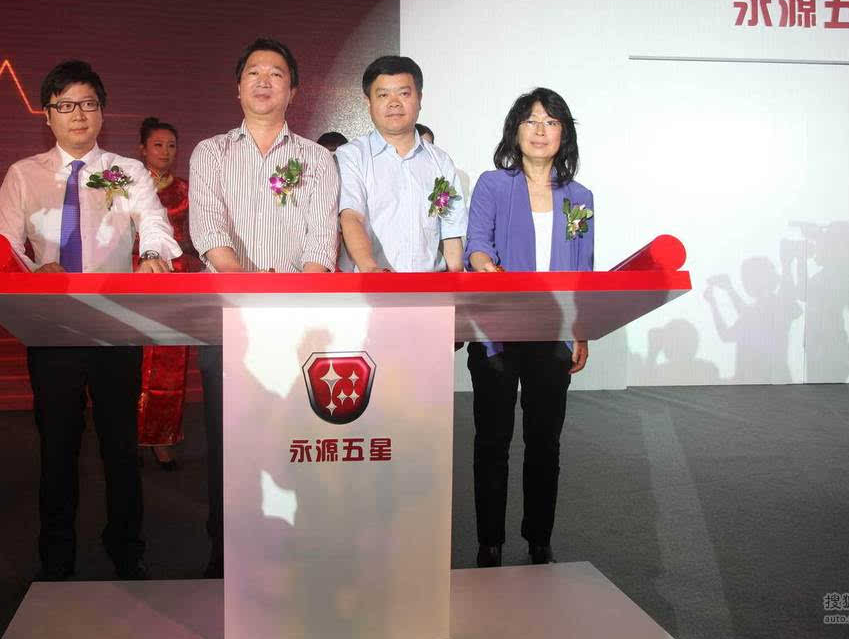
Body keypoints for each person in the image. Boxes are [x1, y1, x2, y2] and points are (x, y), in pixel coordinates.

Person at [0, 60, 180, 581]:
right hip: (52, 326)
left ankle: (127, 548)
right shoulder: (23, 174)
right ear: (47, 115)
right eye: (66, 105)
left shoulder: (127, 170)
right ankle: (56, 555)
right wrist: (36, 269)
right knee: (58, 446)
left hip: (115, 323)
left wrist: (153, 253)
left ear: (102, 113)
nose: (79, 115)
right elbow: (1, 244)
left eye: (89, 104)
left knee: (121, 446)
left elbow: (154, 221)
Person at [188, 37, 339, 577]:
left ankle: (298, 547)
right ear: (238, 86)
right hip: (230, 319)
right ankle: (226, 551)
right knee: (229, 441)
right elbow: (209, 230)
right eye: (254, 72)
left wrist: (293, 301)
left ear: (292, 90)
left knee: (298, 439)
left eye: (276, 73)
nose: (264, 81)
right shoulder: (210, 153)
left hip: (298, 325)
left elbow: (321, 241)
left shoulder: (317, 158)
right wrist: (250, 291)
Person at [464, 86, 592, 567]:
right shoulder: (494, 185)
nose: (541, 130)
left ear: (564, 133)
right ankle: (489, 541)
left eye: (551, 121)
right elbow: (478, 243)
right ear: (515, 130)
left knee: (545, 441)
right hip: (496, 331)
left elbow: (583, 268)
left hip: (551, 332)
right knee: (492, 441)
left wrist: (581, 329)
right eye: (531, 120)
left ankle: (539, 538)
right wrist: (483, 262)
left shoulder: (579, 198)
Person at [337, 55, 465, 274]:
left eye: (404, 93)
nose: (394, 103)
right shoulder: (352, 156)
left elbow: (451, 233)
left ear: (420, 98)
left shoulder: (440, 161)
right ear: (368, 102)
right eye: (383, 95)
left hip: (431, 286)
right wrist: (371, 271)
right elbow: (351, 217)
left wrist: (456, 284)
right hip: (372, 284)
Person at [135, 116, 201, 469]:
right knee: (128, 361)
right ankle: (124, 434)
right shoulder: (125, 185)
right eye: (157, 145)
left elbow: (197, 238)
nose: (165, 152)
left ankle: (161, 437)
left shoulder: (187, 190)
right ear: (142, 149)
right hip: (133, 281)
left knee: (170, 362)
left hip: (175, 281)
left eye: (171, 145)